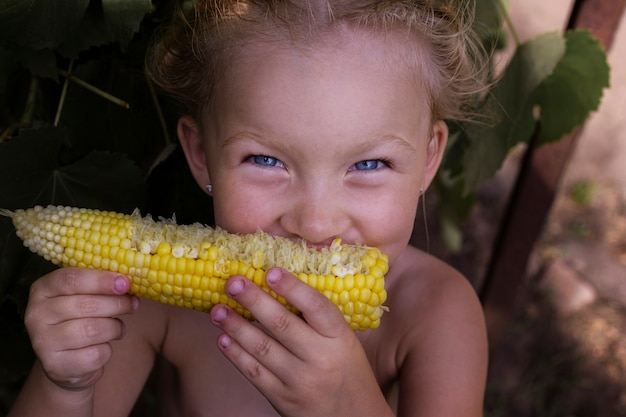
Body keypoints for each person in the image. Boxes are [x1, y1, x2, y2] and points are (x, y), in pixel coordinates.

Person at [8, 0, 490, 416]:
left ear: (429, 159)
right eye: (265, 159)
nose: (314, 223)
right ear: (201, 155)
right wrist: (66, 388)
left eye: (369, 163)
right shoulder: (145, 300)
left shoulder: (437, 316)